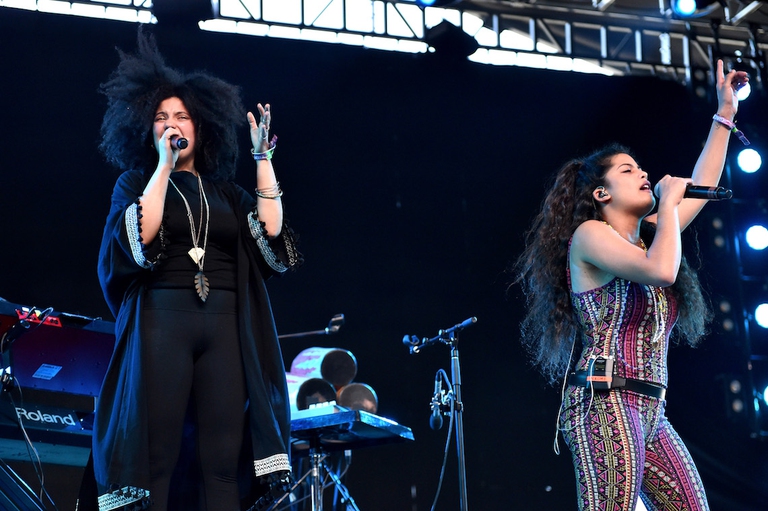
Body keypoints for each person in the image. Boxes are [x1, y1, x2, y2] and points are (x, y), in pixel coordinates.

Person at [513, 60, 748, 511]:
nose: (643, 174)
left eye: (641, 168)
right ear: (601, 194)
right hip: (606, 401)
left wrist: (724, 113)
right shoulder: (590, 235)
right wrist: (669, 207)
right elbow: (661, 270)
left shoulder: (650, 237)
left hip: (653, 409)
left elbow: (702, 182)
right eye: (627, 171)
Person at [93, 30, 301, 511]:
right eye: (161, 118)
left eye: (181, 117)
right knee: (158, 458)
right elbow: (140, 235)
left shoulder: (226, 193)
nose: (172, 124)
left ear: (201, 128)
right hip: (163, 322)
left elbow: (271, 231)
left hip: (225, 325)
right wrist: (163, 165)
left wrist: (262, 157)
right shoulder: (137, 183)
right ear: (146, 130)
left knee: (221, 464)